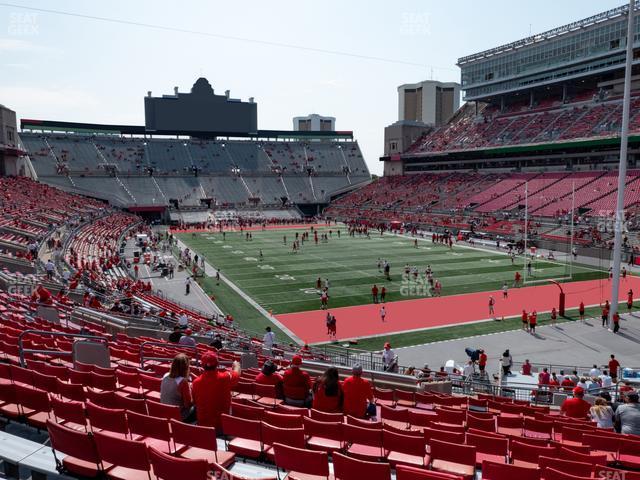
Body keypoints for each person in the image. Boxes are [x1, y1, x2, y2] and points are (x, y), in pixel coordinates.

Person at [192, 352, 241, 429]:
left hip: (203, 426)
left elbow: (194, 401)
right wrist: (237, 365)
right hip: (222, 426)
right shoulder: (225, 377)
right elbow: (236, 374)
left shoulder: (195, 382)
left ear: (202, 365)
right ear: (217, 364)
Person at [160, 353, 194, 422]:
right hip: (178, 416)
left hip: (164, 411)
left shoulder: (165, 375)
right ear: (185, 367)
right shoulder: (183, 382)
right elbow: (188, 405)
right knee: (197, 408)